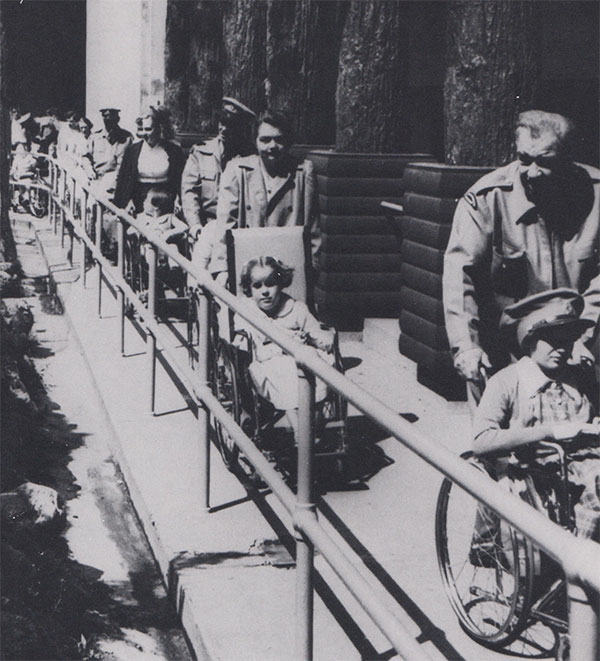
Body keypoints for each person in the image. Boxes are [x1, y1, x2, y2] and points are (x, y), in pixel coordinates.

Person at [443, 110, 600, 402]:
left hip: (578, 345)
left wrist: (584, 339)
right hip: (506, 348)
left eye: (545, 162)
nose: (531, 171)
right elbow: (459, 277)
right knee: (499, 441)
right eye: (524, 159)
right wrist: (466, 346)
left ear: (569, 161)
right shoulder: (485, 199)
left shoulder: (596, 195)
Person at [472, 289, 600, 541]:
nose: (562, 348)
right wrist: (549, 432)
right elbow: (481, 441)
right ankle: (579, 563)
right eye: (552, 339)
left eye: (568, 339)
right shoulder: (508, 381)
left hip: (584, 461)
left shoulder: (579, 378)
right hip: (540, 468)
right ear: (529, 339)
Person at [194, 109, 321, 279]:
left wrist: (310, 271)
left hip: (288, 268)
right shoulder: (237, 171)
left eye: (279, 140)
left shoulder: (302, 172)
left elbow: (312, 229)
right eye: (265, 140)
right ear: (255, 142)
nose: (272, 147)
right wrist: (223, 270)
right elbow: (225, 225)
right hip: (246, 266)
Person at [238, 256, 334, 440]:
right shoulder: (246, 311)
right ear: (249, 289)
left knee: (322, 366)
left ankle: (316, 422)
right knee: (284, 374)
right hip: (269, 363)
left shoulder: (296, 309)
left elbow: (317, 333)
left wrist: (314, 339)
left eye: (270, 284)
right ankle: (300, 431)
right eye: (257, 286)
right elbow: (242, 340)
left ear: (281, 284)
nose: (265, 291)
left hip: (301, 356)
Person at [181, 97, 256, 241]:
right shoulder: (201, 152)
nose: (224, 129)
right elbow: (189, 192)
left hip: (238, 228)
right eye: (222, 123)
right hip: (206, 225)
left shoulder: (250, 156)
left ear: (241, 128)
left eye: (231, 125)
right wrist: (195, 226)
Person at [114, 106, 185, 213]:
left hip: (166, 202)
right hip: (139, 203)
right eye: (141, 130)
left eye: (148, 129)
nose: (144, 134)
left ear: (159, 128)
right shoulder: (132, 151)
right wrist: (127, 202)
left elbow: (181, 181)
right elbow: (123, 181)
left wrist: (179, 200)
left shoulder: (174, 151)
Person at [82, 108, 132, 197]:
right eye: (105, 116)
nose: (108, 119)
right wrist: (89, 170)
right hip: (97, 181)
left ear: (117, 119)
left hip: (117, 185)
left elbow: (129, 164)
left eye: (111, 116)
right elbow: (86, 157)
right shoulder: (95, 137)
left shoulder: (127, 138)